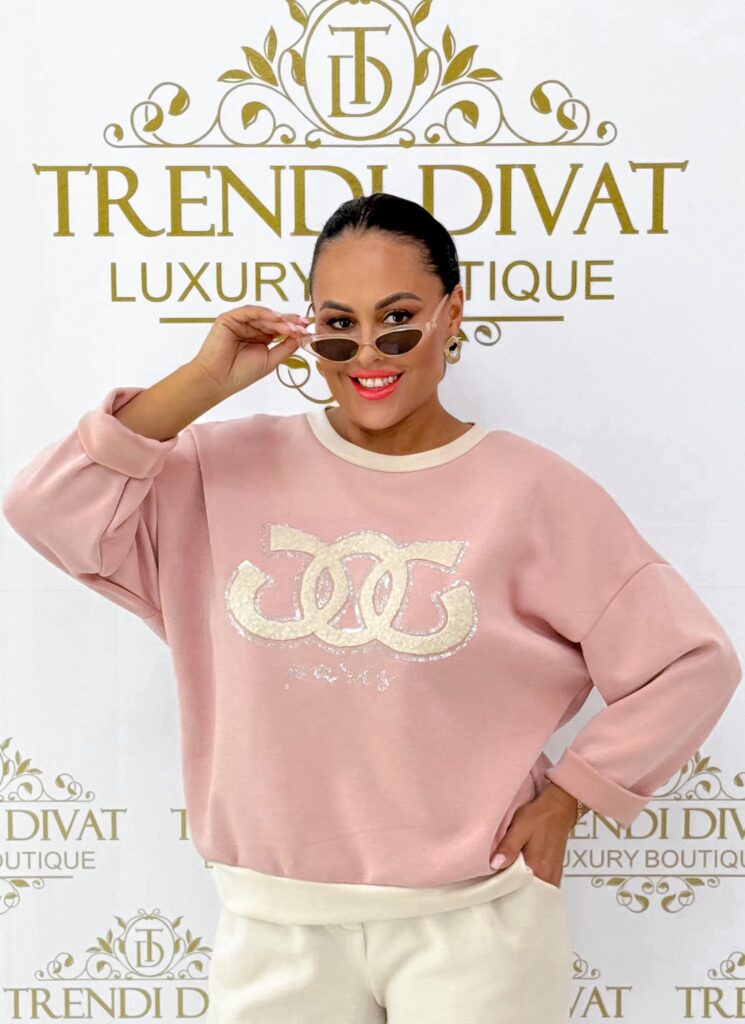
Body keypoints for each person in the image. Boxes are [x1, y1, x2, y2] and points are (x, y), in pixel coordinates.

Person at [2, 192, 741, 1024]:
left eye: (397, 322)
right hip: (273, 922)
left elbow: (690, 661)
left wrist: (572, 795)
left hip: (476, 918)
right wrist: (202, 382)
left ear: (452, 312)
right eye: (336, 327)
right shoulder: (217, 473)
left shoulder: (532, 493)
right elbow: (45, 508)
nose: (366, 355)